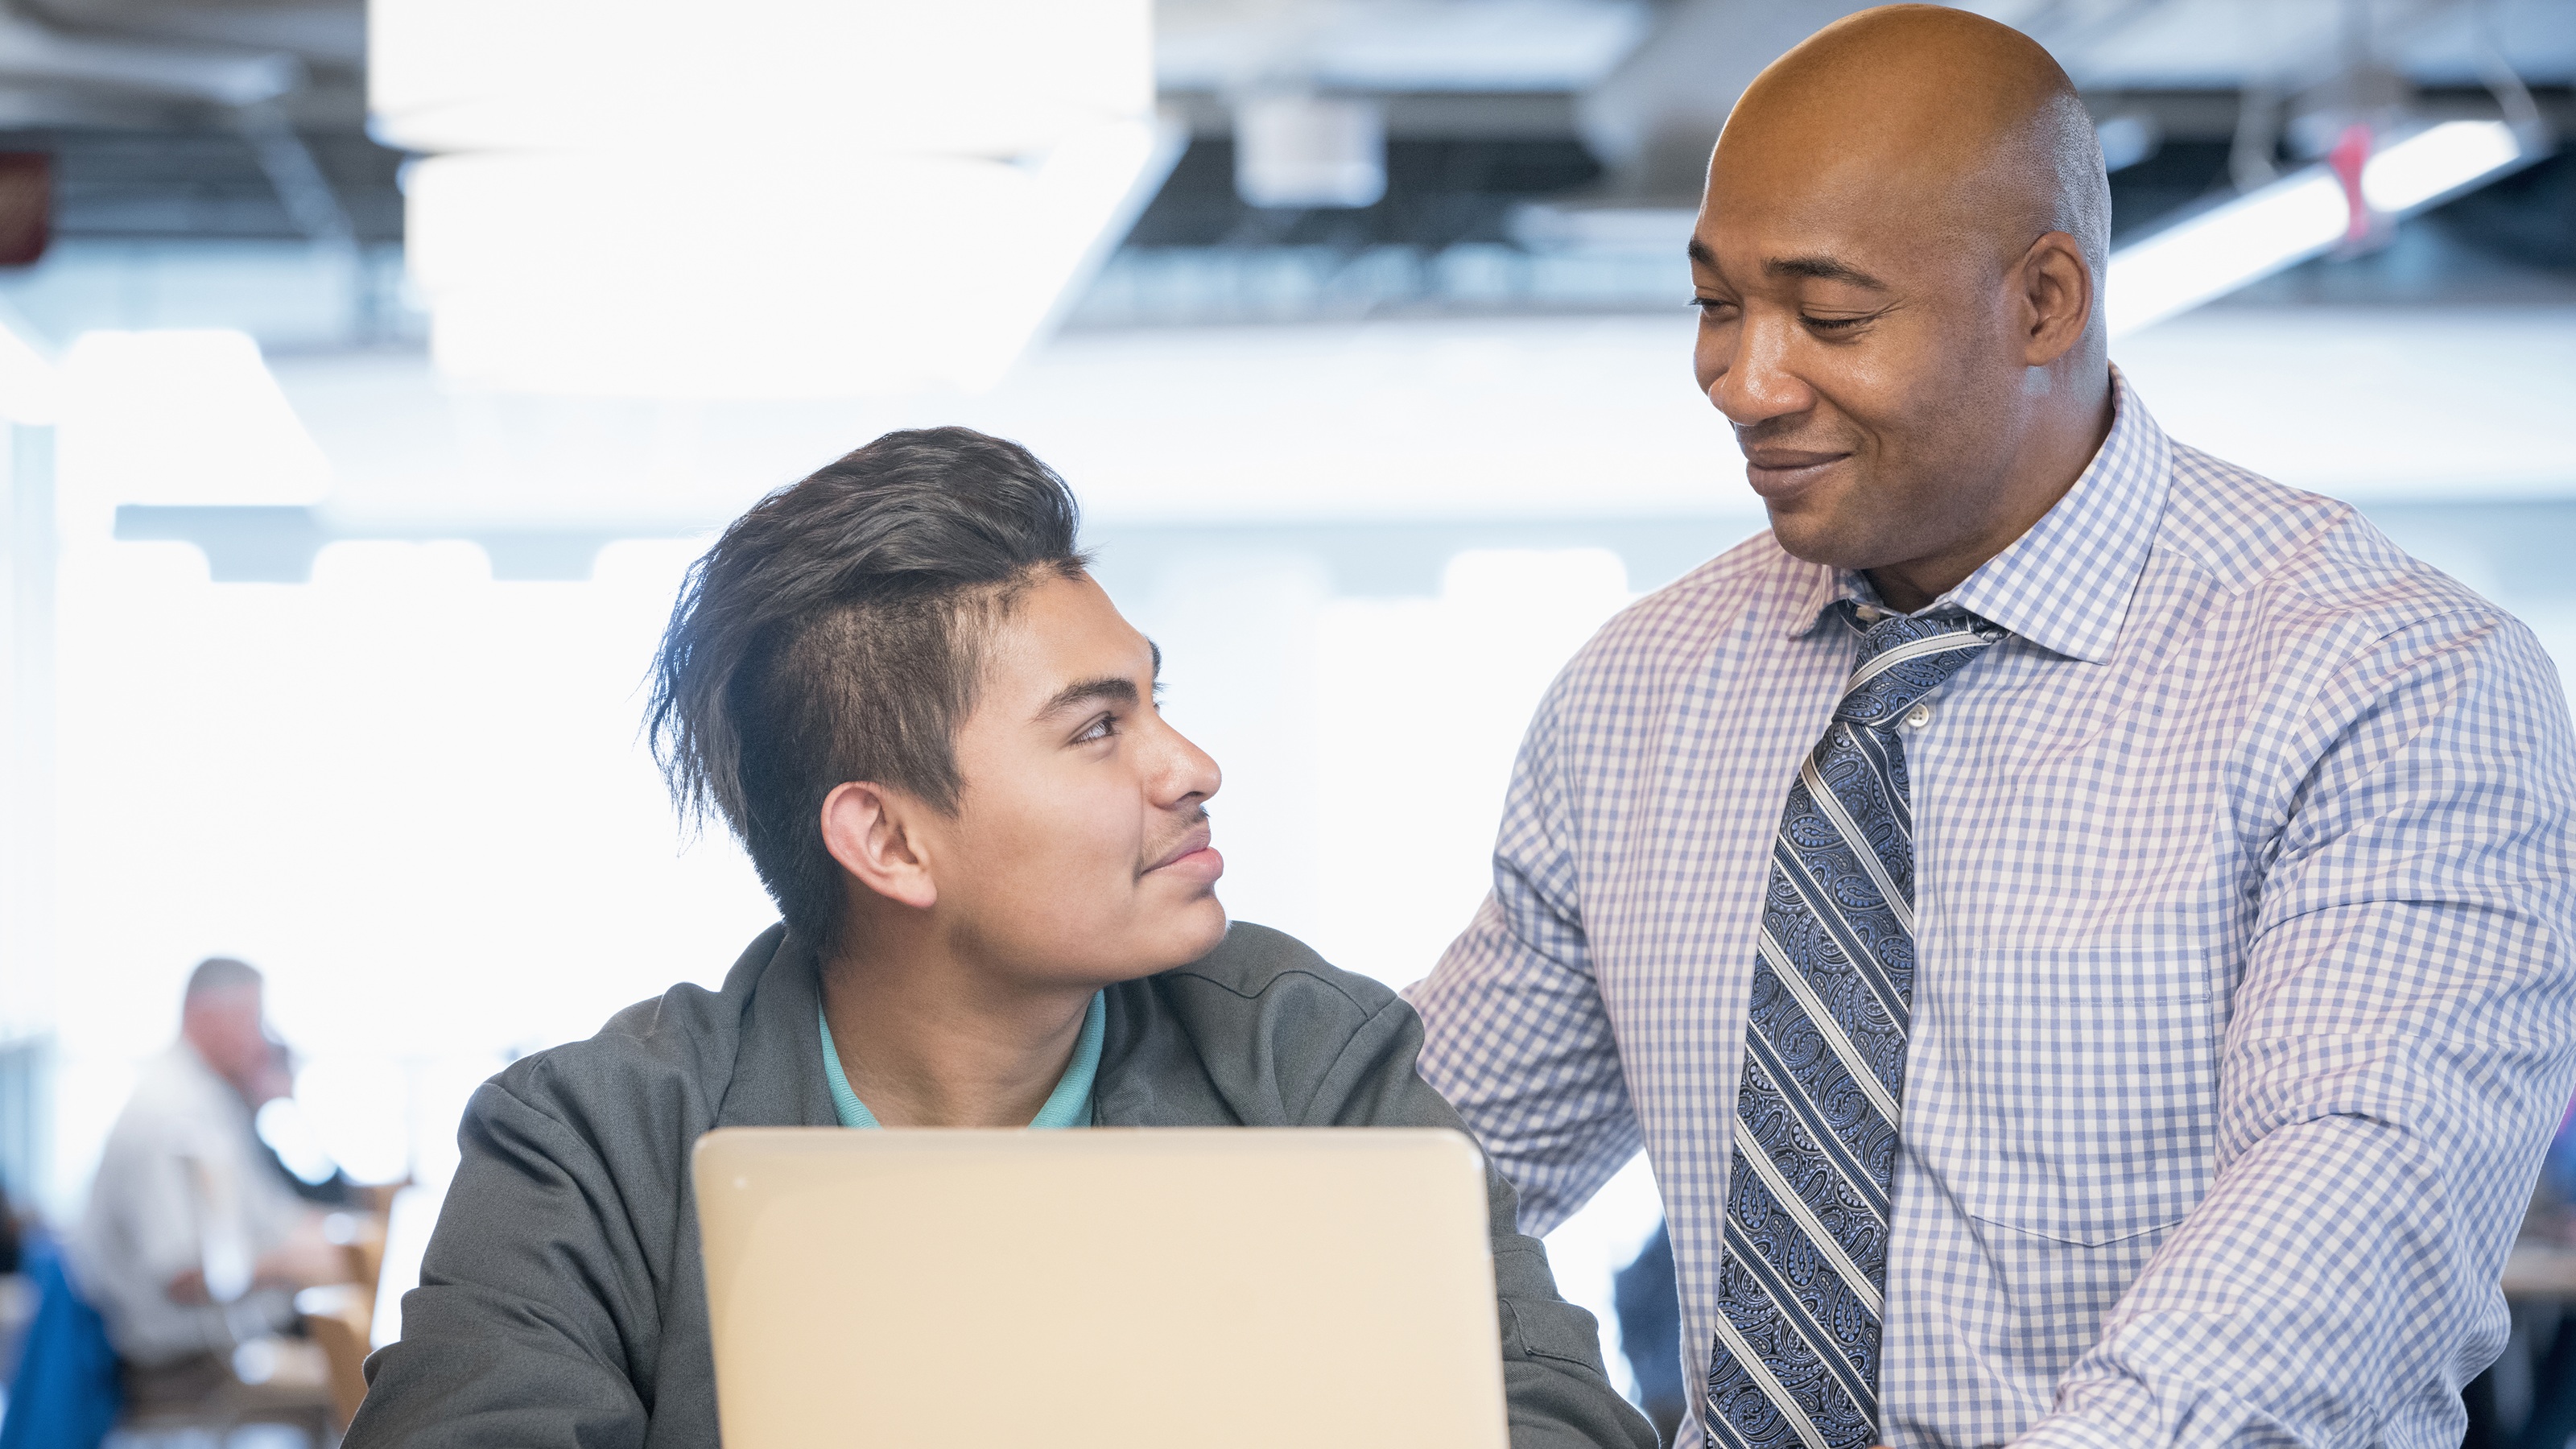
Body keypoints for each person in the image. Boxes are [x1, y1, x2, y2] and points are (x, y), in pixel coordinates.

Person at [1406, 8, 2576, 1449]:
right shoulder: (1641, 696)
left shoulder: (2387, 682)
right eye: (1718, 305)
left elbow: (2348, 1228)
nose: (1746, 382)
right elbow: (1423, 1187)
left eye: (1829, 316)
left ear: (2044, 303)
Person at [345, 427, 1655, 1448]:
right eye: (1097, 728)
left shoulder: (1304, 1058)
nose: (1191, 764)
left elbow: (1552, 1415)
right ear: (890, 842)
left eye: (1156, 701)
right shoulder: (587, 1140)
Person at [72, 958, 345, 1386]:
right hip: (186, 1354)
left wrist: (346, 1239)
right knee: (368, 1370)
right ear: (206, 1017)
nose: (262, 1041)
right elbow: (181, 1276)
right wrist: (294, 1266)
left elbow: (273, 1219)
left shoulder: (211, 1099)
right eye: (253, 1020)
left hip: (231, 1335)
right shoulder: (172, 1113)